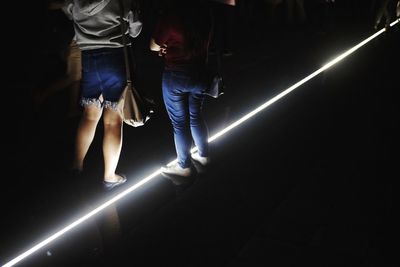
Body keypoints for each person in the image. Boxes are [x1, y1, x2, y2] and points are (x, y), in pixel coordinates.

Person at [64, 0, 143, 190]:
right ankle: (109, 176)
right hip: (115, 57)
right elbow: (135, 30)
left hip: (89, 58)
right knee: (112, 121)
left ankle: (76, 166)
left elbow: (69, 11)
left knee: (89, 116)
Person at [150, 0, 212, 178]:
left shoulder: (170, 17)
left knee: (179, 123)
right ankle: (204, 156)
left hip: (176, 75)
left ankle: (184, 166)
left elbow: (153, 45)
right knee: (196, 117)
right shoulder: (205, 13)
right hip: (200, 73)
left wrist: (166, 46)